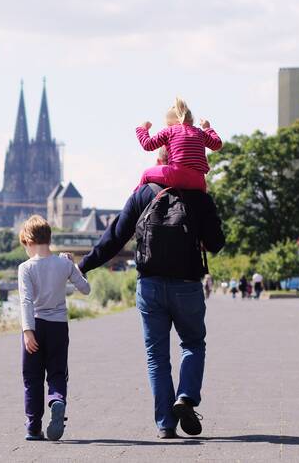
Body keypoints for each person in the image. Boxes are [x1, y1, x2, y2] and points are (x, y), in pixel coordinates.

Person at [77, 181, 225, 439]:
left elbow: (114, 238)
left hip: (149, 287)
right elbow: (216, 244)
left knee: (156, 356)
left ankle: (165, 424)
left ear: (159, 160)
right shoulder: (199, 197)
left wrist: (83, 266)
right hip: (187, 286)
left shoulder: (142, 194)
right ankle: (186, 398)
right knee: (192, 344)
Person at [17, 215, 90, 441]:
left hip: (35, 325)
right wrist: (73, 266)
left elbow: (26, 301)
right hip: (59, 326)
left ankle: (33, 427)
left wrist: (27, 331)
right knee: (57, 372)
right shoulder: (64, 263)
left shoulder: (26, 268)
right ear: (49, 239)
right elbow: (85, 289)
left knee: (32, 377)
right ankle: (57, 399)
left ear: (28, 241)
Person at [135, 97, 223, 192]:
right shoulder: (200, 133)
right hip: (199, 181)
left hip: (176, 175)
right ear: (191, 119)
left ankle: (136, 200)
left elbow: (148, 145)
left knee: (146, 174)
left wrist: (142, 129)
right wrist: (207, 128)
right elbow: (217, 144)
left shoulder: (169, 130)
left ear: (169, 122)